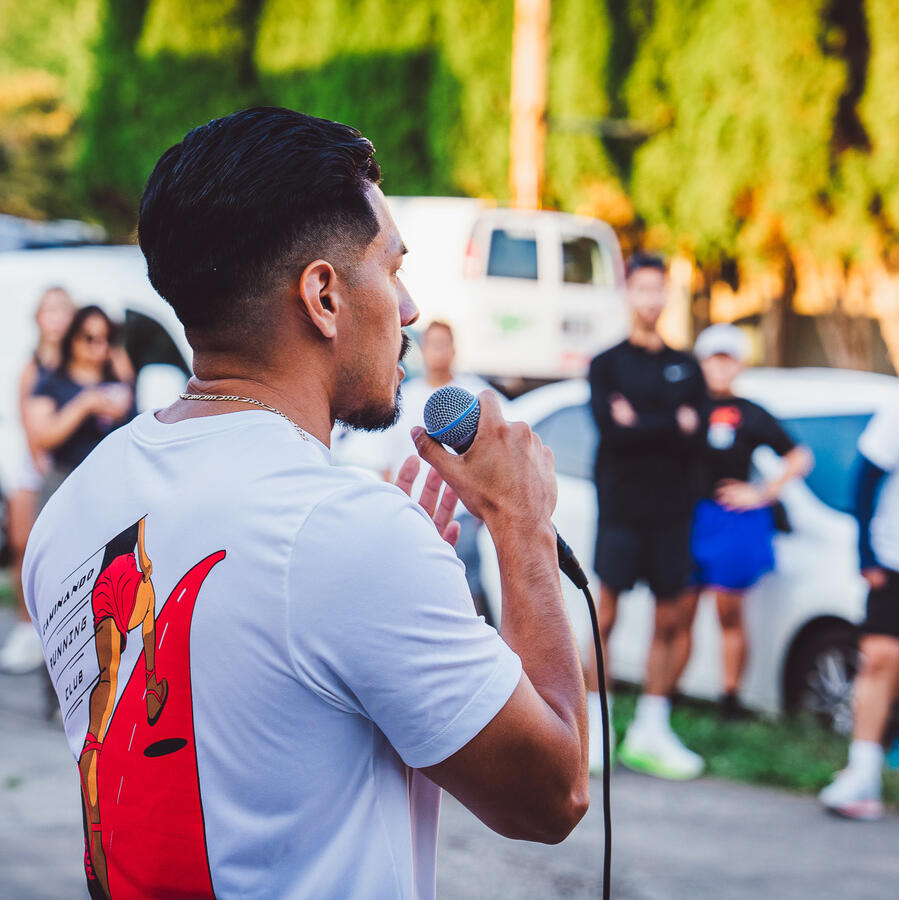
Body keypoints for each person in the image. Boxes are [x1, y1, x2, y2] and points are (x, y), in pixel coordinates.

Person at [23, 108, 588, 900]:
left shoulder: (75, 509)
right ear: (322, 294)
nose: (412, 309)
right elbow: (552, 796)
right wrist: (522, 527)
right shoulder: (341, 534)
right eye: (391, 269)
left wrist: (380, 590)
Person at [588, 252, 706, 779]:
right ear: (627, 293)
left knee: (669, 619)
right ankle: (595, 726)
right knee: (603, 618)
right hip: (621, 508)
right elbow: (614, 433)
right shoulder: (606, 364)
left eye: (660, 290)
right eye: (642, 289)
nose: (651, 300)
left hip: (672, 512)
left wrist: (643, 424)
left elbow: (696, 433)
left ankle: (652, 731)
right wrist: (669, 425)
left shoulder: (688, 364)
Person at [672, 324, 811, 720]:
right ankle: (668, 695)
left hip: (731, 522)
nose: (719, 366)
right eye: (713, 358)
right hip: (686, 520)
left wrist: (762, 492)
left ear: (739, 364)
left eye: (727, 358)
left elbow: (800, 457)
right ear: (700, 362)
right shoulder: (685, 407)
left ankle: (729, 699)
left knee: (727, 612)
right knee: (680, 612)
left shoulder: (752, 413)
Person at [820, 393, 899, 820]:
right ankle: (863, 777)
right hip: (893, 564)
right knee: (880, 660)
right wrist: (866, 553)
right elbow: (866, 478)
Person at [383, 320, 494, 622]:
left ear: (454, 349)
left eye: (444, 344)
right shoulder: (402, 395)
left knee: (467, 598)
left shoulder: (475, 393)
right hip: (413, 516)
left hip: (461, 517)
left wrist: (479, 511)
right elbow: (389, 460)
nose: (438, 351)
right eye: (432, 344)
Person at [0, 287, 75, 674]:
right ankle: (26, 626)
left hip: (64, 461)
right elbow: (29, 422)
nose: (58, 317)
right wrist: (43, 463)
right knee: (21, 541)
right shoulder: (32, 366)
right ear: (39, 318)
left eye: (64, 309)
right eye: (51, 310)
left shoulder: (84, 358)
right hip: (36, 460)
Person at [24, 304, 135, 510]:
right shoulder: (51, 381)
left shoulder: (118, 380)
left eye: (107, 338)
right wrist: (84, 405)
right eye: (90, 338)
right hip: (64, 483)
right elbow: (44, 438)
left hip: (110, 486)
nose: (99, 347)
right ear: (73, 337)